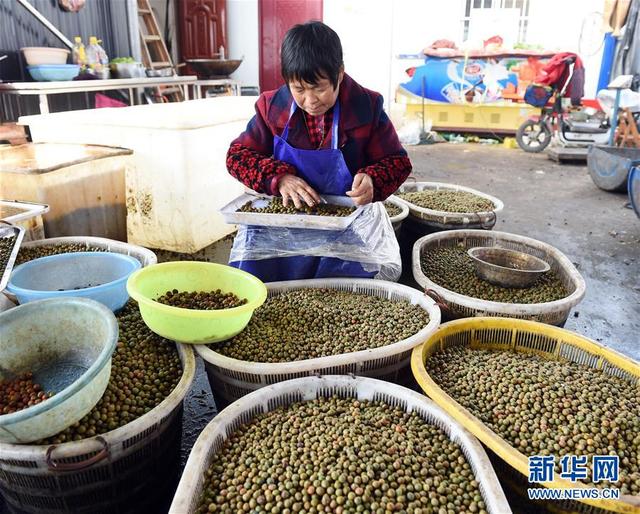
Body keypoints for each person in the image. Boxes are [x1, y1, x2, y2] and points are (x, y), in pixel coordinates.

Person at [226, 21, 411, 282]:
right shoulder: (272, 107)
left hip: (346, 229)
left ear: (340, 74)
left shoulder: (365, 107)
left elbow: (397, 161)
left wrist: (373, 179)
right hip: (281, 228)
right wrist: (279, 178)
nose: (310, 100)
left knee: (347, 299)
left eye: (320, 88)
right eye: (299, 89)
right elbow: (237, 156)